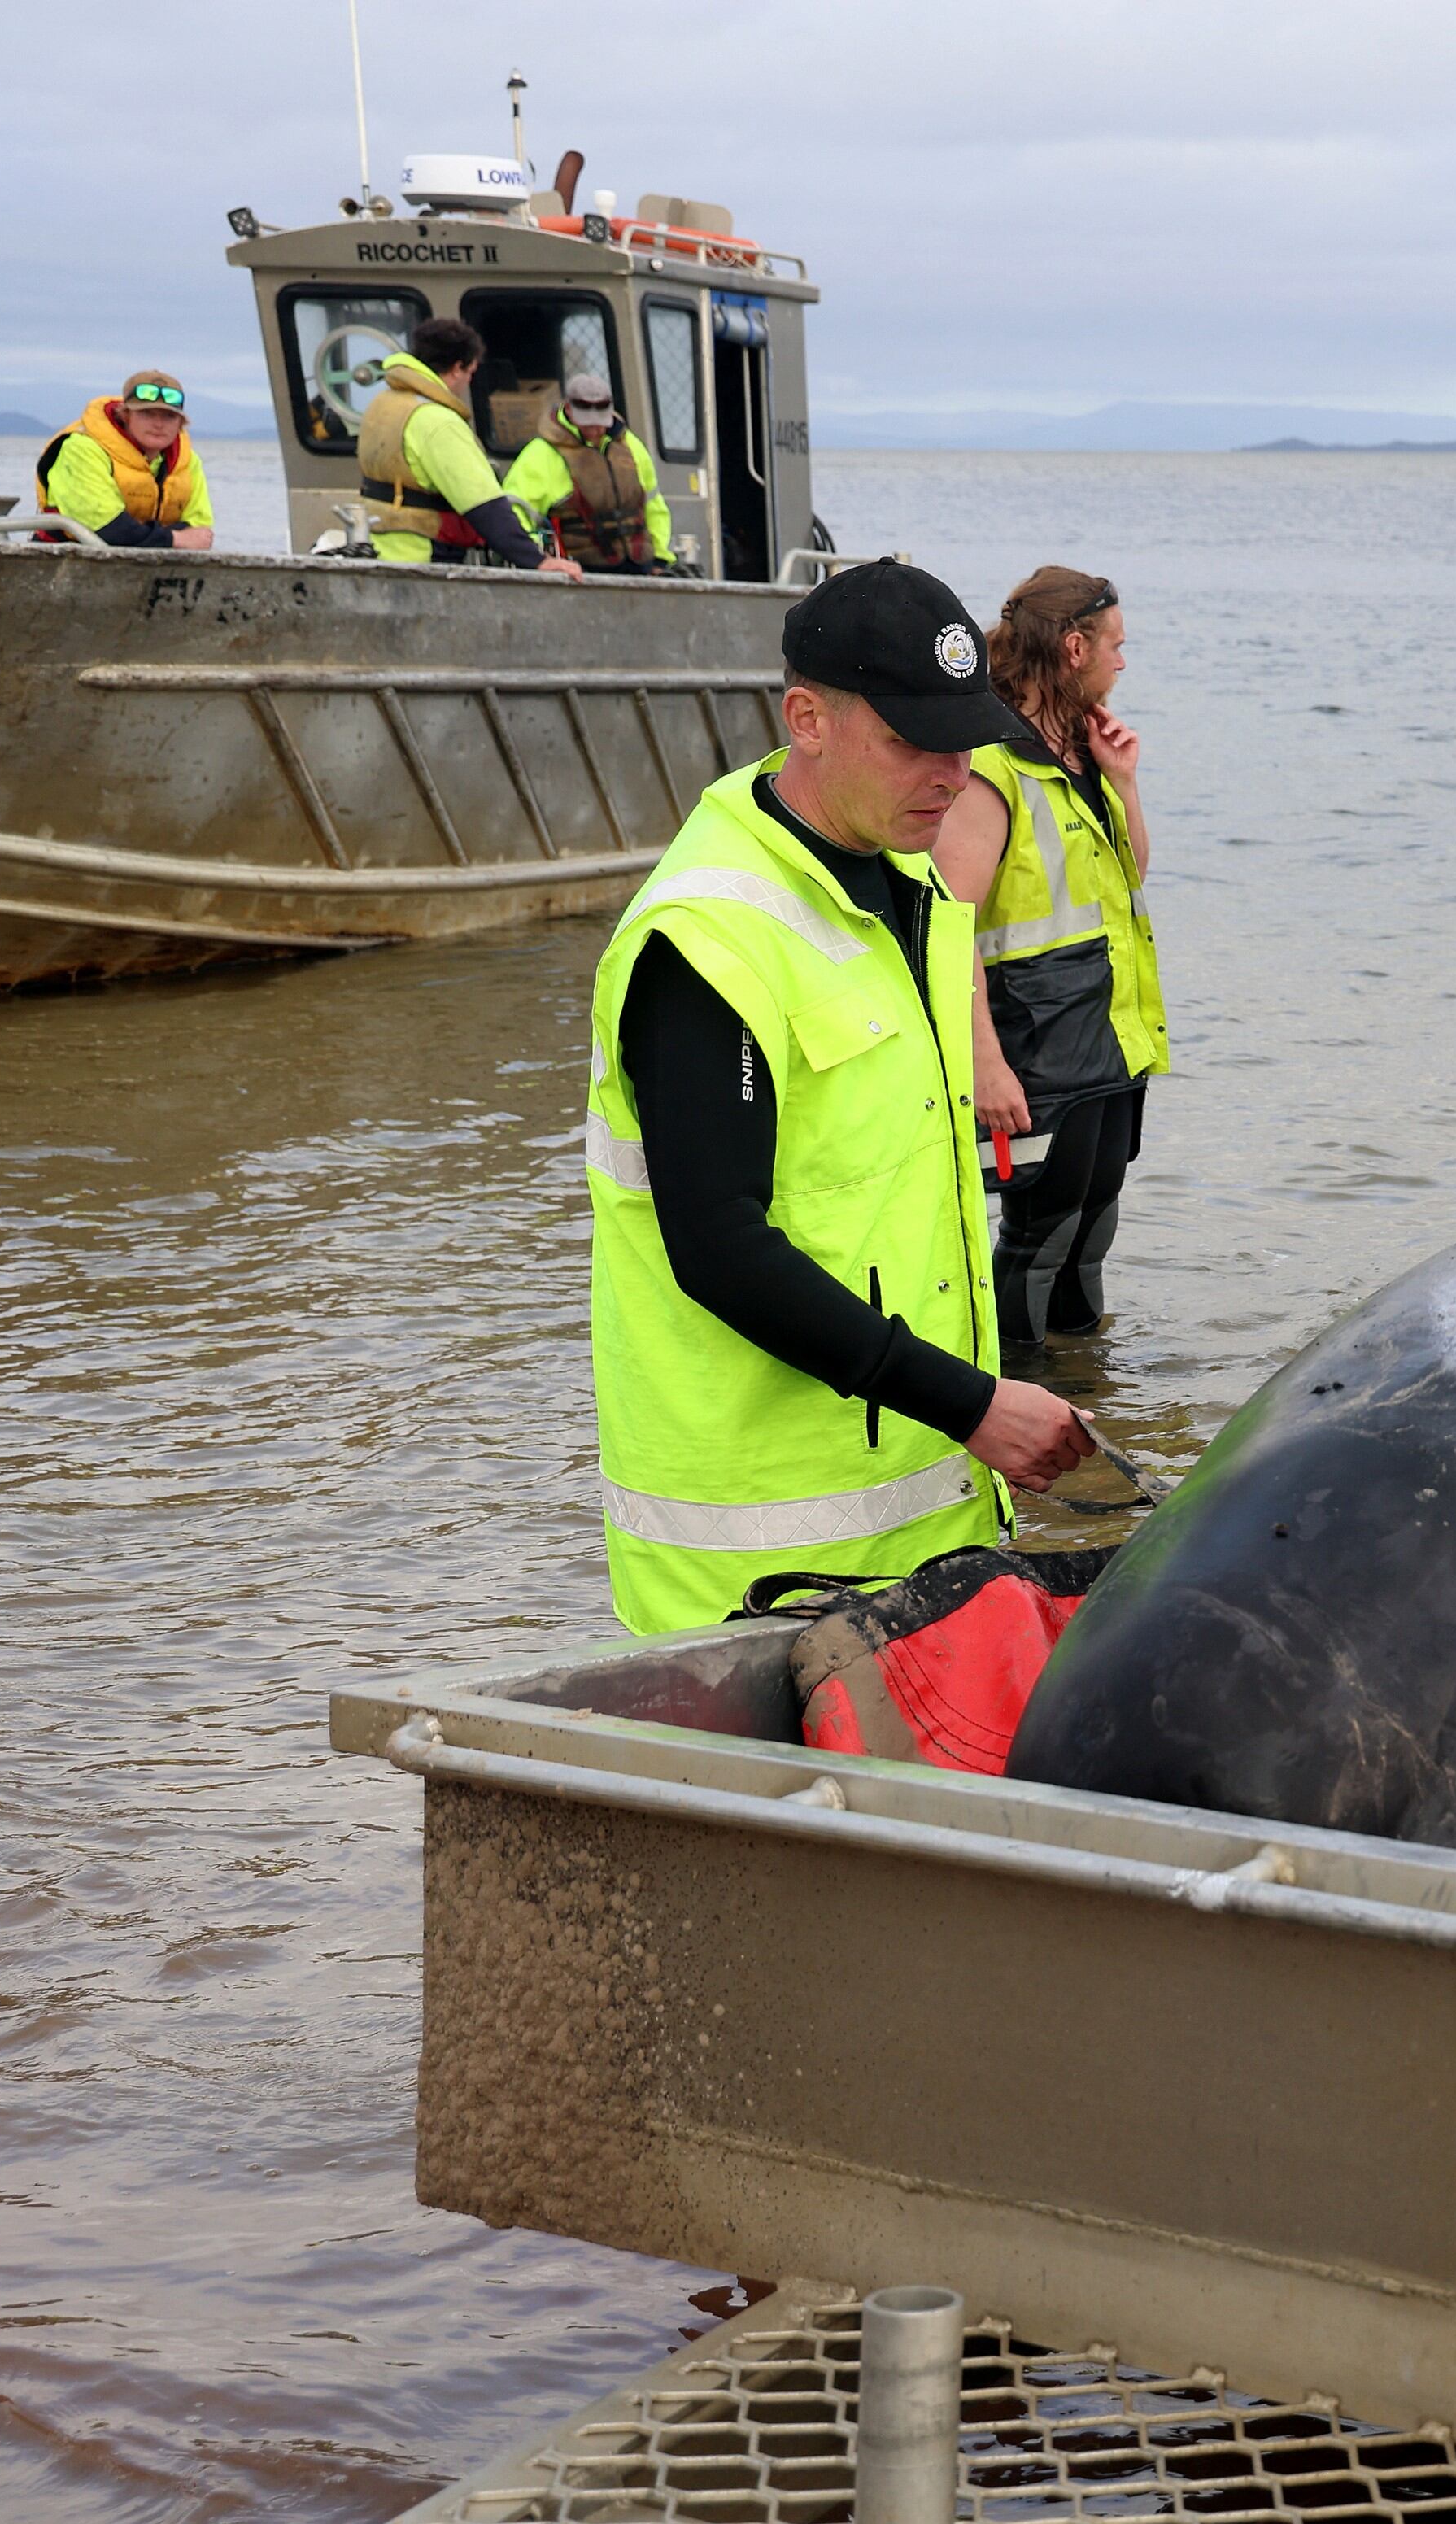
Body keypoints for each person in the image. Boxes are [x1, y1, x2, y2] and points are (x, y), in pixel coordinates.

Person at [582, 557, 1093, 1633]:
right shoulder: (709, 938)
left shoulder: (907, 885)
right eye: (911, 741)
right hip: (755, 1556)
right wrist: (974, 1405)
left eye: (963, 739)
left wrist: (971, 1426)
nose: (952, 775)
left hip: (932, 1511)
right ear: (805, 717)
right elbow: (719, 1246)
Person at [936, 566, 1166, 1372]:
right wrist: (984, 1063)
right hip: (1033, 1048)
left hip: (1106, 1036)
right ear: (1074, 648)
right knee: (1039, 1234)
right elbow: (949, 920)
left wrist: (1123, 783)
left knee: (1092, 1226)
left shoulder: (1081, 751)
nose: (1122, 664)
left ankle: (1095, 1401)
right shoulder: (993, 765)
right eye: (1115, 646)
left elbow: (1130, 873)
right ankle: (1022, 1410)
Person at [355, 315, 577, 574]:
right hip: (421, 558)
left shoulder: (385, 404)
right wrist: (538, 561)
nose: (469, 381)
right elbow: (484, 505)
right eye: (471, 372)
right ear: (458, 368)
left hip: (380, 548)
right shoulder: (437, 422)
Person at [502, 368, 675, 573]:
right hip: (577, 572)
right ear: (568, 410)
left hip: (640, 568)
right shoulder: (541, 453)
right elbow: (515, 508)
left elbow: (653, 505)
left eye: (600, 422)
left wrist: (660, 557)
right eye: (587, 422)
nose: (595, 429)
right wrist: (536, 558)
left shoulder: (630, 446)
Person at [35, 370, 213, 548]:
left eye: (169, 416)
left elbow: (200, 532)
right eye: (147, 414)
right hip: (64, 559)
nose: (159, 424)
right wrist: (175, 539)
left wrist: (141, 535)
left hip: (155, 566)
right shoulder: (81, 450)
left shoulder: (188, 461)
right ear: (125, 415)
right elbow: (106, 528)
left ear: (181, 423)